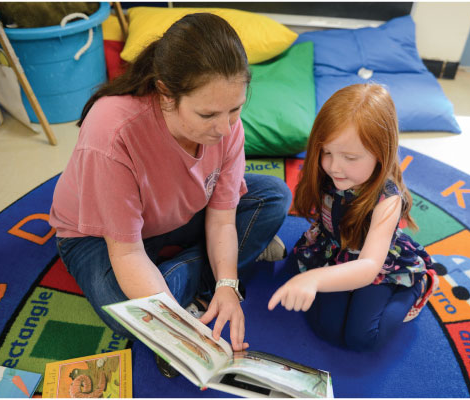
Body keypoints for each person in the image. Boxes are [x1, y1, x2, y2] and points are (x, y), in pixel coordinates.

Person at [49, 13, 288, 357]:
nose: (225, 128)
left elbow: (221, 218)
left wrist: (227, 285)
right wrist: (177, 325)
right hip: (99, 236)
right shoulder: (113, 132)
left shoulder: (226, 122)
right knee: (128, 318)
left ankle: (187, 275)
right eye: (208, 115)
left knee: (274, 195)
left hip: (178, 214)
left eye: (235, 109)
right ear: (165, 93)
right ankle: (195, 274)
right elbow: (127, 252)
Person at [269, 83, 434, 351]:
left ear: (381, 154)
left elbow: (369, 266)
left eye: (350, 157)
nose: (334, 166)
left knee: (362, 337)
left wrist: (312, 279)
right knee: (326, 328)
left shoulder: (388, 199)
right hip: (336, 251)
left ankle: (415, 286)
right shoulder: (328, 174)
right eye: (327, 152)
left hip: (377, 263)